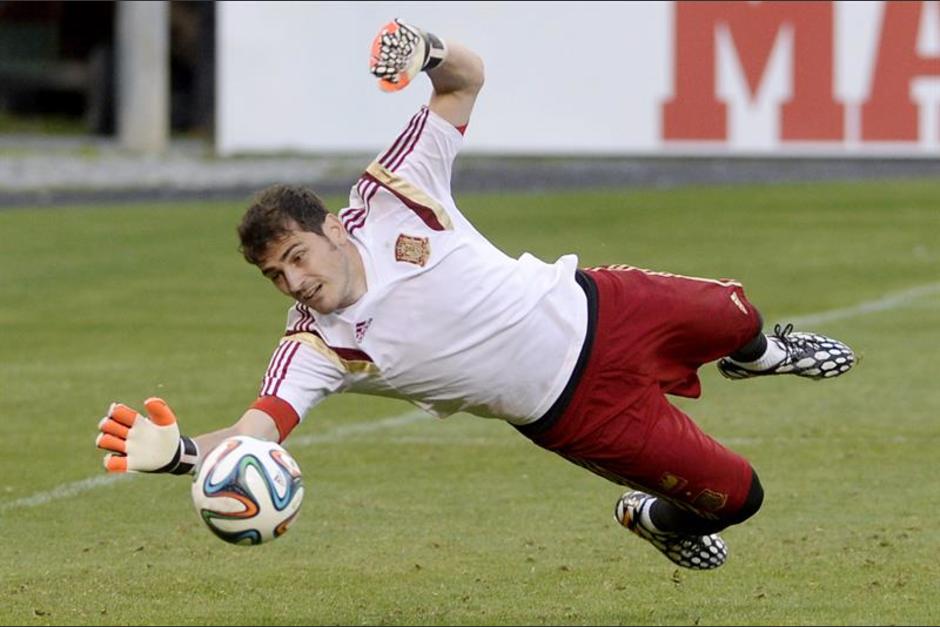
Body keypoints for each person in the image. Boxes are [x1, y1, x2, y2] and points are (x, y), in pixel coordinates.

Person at [95, 19, 856, 571]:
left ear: (330, 227)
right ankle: (657, 519)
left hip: (601, 305)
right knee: (739, 497)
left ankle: (757, 355)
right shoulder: (316, 347)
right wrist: (180, 455)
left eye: (296, 258)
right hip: (577, 412)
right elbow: (255, 433)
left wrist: (425, 50)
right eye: (275, 276)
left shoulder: (393, 194)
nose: (294, 282)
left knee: (736, 312)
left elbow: (465, 79)